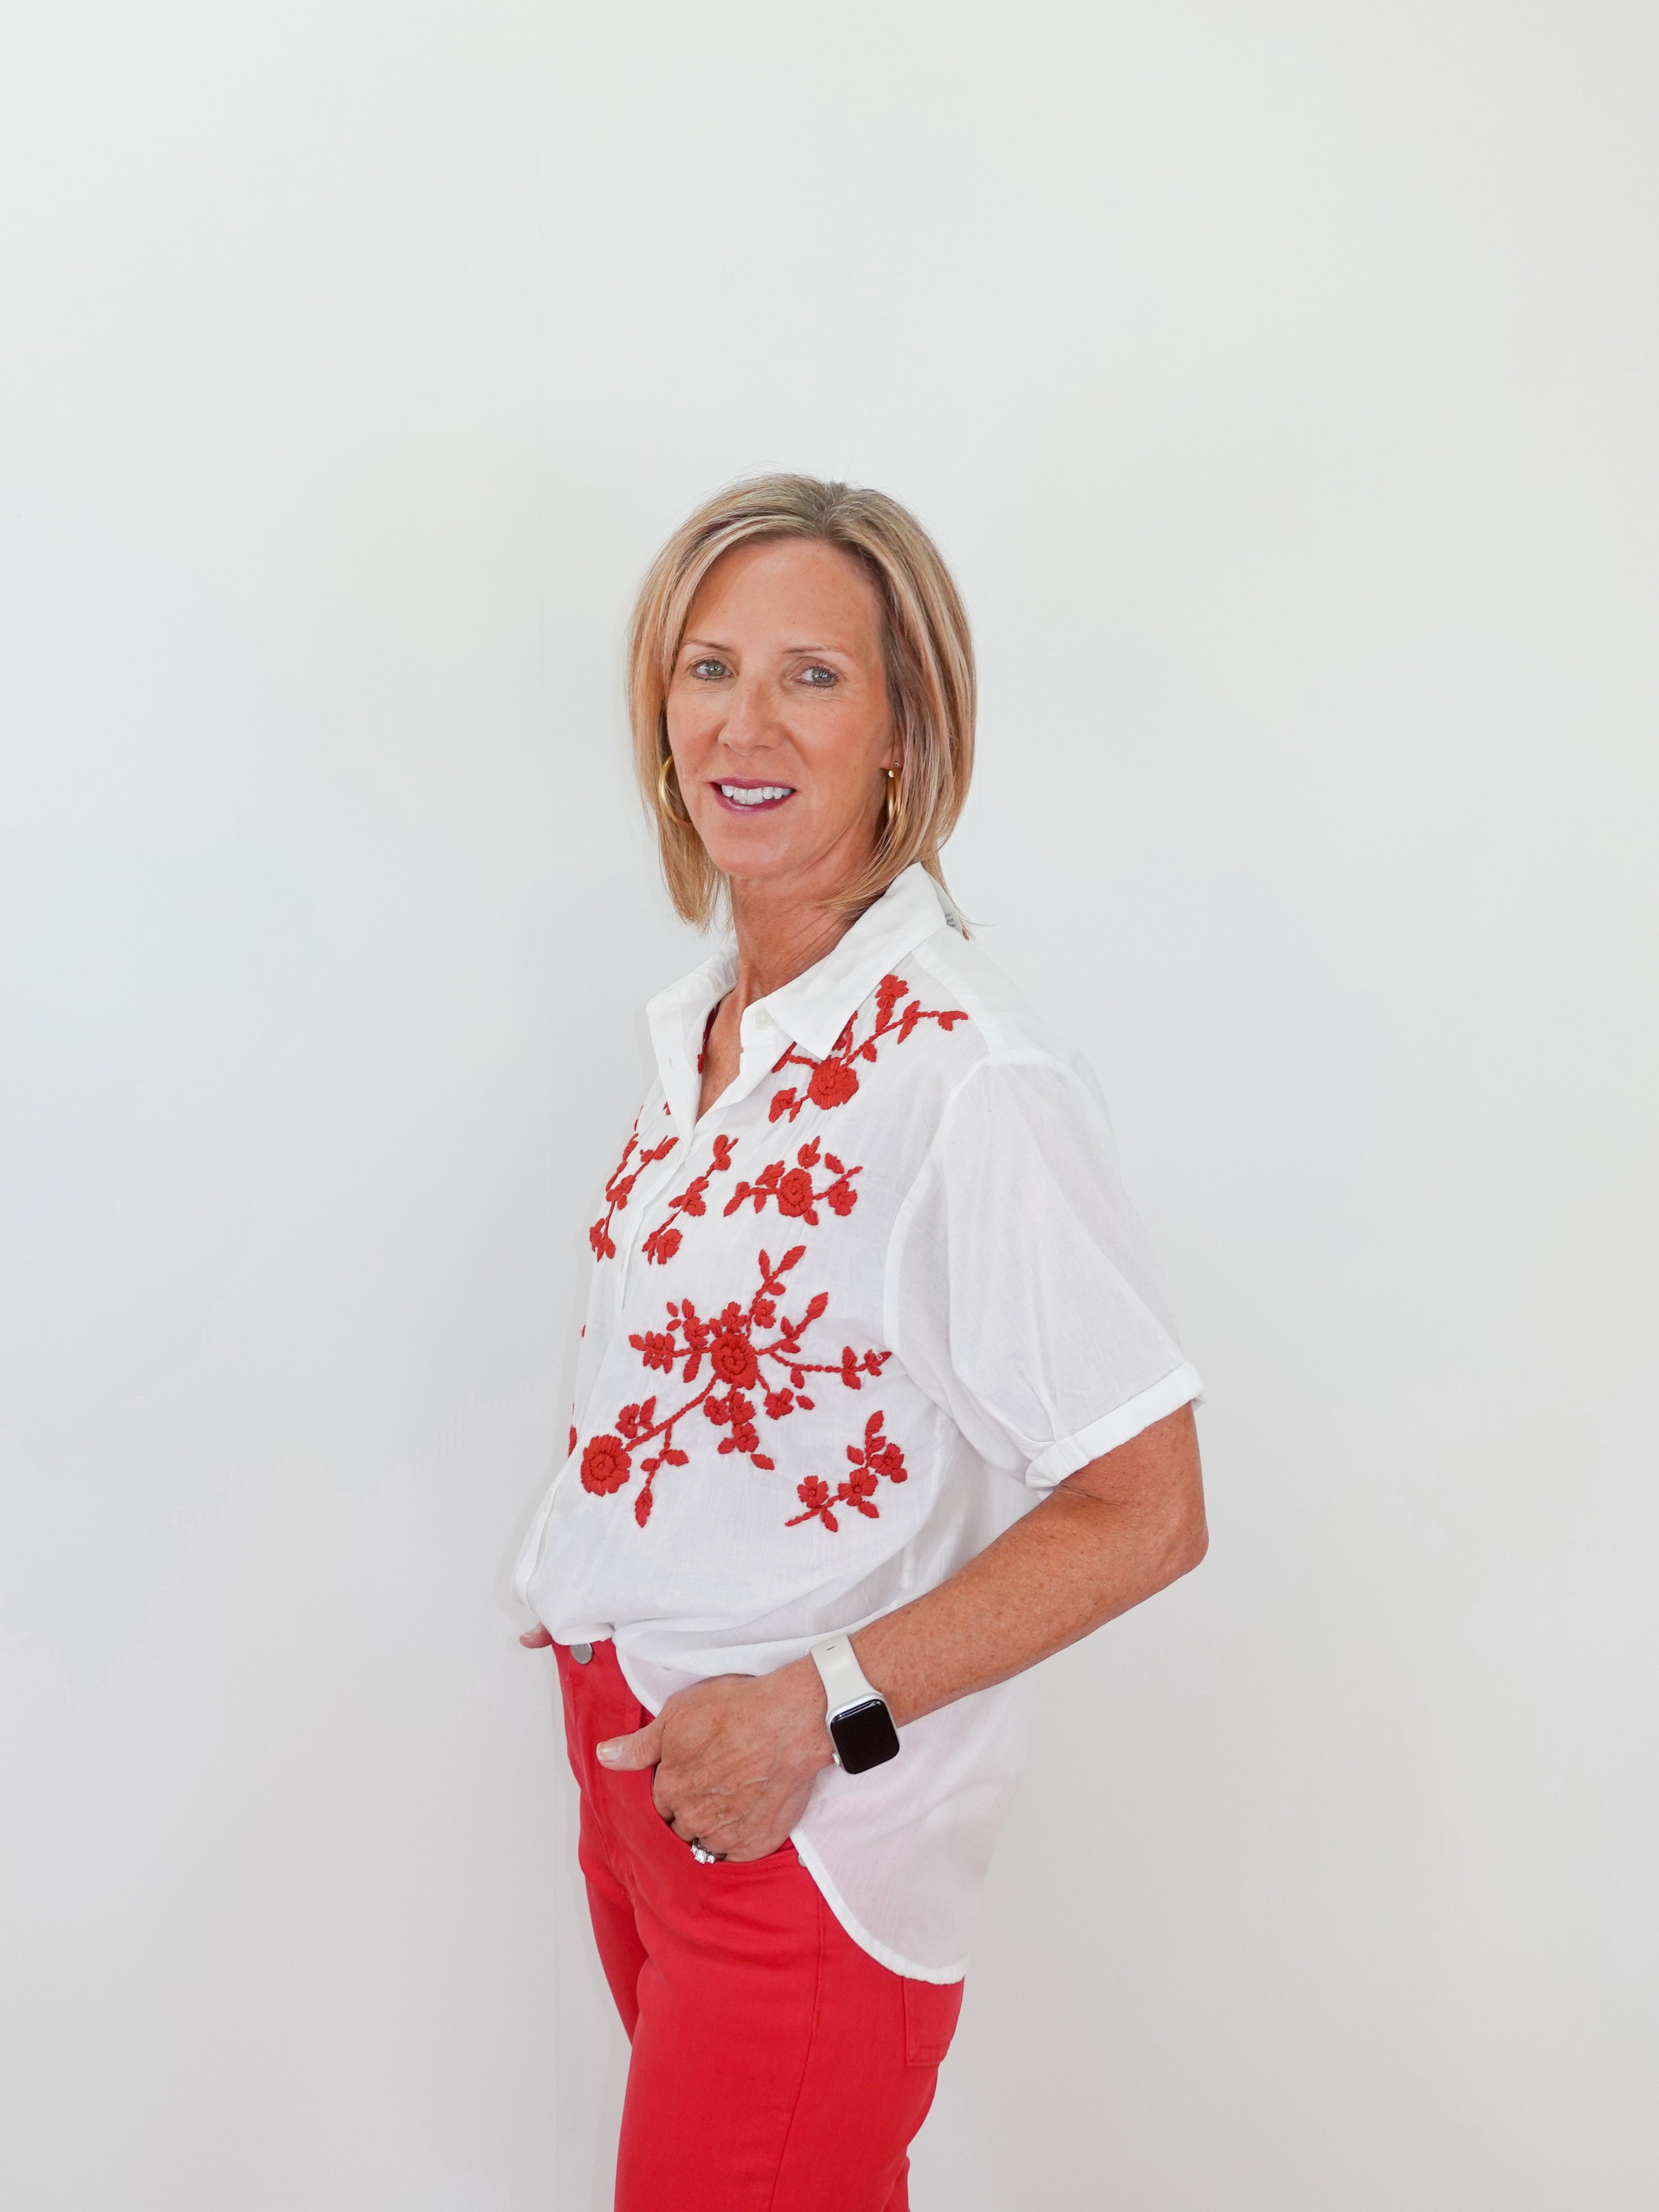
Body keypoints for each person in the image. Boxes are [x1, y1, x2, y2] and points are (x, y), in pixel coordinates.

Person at [515, 474, 1207, 2211]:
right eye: (705, 667)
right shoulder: (713, 1030)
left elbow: (1147, 1505)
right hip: (651, 1781)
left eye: (812, 677)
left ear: (905, 727)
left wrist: (810, 1710)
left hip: (798, 1829)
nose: (741, 723)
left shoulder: (965, 1072)